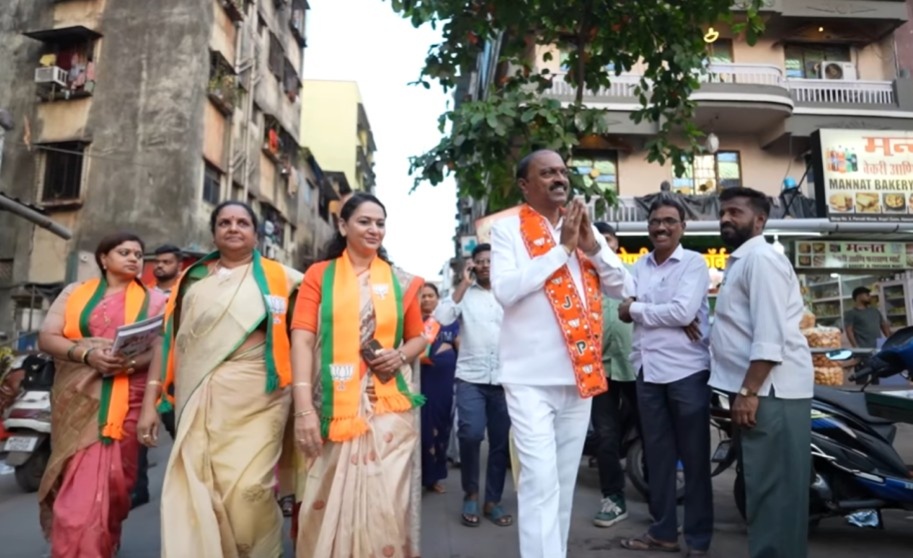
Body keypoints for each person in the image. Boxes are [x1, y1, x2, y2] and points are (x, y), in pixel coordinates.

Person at [136, 201, 303, 557]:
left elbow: (310, 338)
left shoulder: (285, 280)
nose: (233, 228)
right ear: (213, 234)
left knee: (249, 490)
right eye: (224, 222)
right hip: (201, 396)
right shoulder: (192, 282)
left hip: (261, 397)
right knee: (201, 485)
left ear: (256, 234)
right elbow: (168, 342)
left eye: (243, 222)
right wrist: (151, 403)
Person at [490, 149, 631, 558]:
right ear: (525, 185)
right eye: (547, 172)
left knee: (562, 486)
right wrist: (562, 250)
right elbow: (506, 290)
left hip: (580, 378)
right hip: (529, 379)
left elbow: (625, 287)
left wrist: (593, 247)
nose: (559, 178)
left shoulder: (585, 230)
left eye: (563, 172)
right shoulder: (507, 230)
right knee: (538, 482)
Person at [290, 192, 428, 558]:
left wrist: (400, 354)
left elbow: (418, 337)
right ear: (343, 226)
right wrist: (303, 410)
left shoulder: (400, 281)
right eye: (364, 221)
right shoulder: (319, 275)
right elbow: (302, 339)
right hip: (333, 404)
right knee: (328, 500)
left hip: (388, 407)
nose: (374, 229)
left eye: (380, 223)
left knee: (387, 502)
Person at [37, 231, 168, 557]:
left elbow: (161, 349)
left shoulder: (156, 301)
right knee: (78, 500)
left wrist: (130, 370)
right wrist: (88, 355)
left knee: (115, 485)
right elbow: (47, 337)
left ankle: (102, 543)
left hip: (129, 399)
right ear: (103, 259)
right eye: (124, 252)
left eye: (138, 254)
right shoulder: (74, 293)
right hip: (78, 397)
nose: (134, 258)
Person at [710, 187, 813, 558]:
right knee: (765, 489)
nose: (725, 219)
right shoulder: (742, 260)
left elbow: (769, 335)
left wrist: (748, 392)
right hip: (763, 392)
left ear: (759, 220)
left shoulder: (762, 260)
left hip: (771, 392)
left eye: (735, 212)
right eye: (723, 212)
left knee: (775, 493)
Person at [617, 199, 713, 555]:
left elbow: (682, 311)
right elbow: (622, 309)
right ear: (648, 227)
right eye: (655, 221)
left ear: (682, 227)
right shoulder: (639, 266)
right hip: (648, 371)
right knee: (657, 458)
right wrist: (664, 313)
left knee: (695, 459)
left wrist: (640, 309)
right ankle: (663, 532)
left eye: (670, 221)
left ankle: (699, 540)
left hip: (687, 372)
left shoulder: (694, 263)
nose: (661, 227)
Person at [434, 243, 512, 527]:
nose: (485, 265)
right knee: (470, 434)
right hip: (471, 377)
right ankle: (471, 492)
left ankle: (493, 500)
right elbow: (442, 317)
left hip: (505, 378)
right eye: (480, 261)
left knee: (500, 443)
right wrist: (463, 285)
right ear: (472, 266)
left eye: (490, 260)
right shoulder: (464, 294)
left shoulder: (510, 292)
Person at [589, 222, 637, 528]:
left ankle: (662, 502)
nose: (603, 245)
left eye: (607, 239)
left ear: (616, 243)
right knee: (605, 437)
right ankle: (613, 498)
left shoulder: (631, 274)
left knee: (652, 432)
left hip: (636, 366)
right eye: (596, 240)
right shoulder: (583, 280)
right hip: (598, 370)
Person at [132, 243, 182, 509]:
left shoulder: (186, 293)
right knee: (140, 430)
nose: (160, 266)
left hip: (176, 375)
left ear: (178, 265)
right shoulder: (144, 295)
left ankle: (184, 486)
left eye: (166, 262)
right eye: (157, 262)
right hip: (144, 371)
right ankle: (138, 489)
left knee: (179, 430)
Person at [419, 283, 460, 494]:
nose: (426, 299)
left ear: (437, 298)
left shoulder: (449, 322)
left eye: (430, 296)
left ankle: (435, 476)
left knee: (441, 426)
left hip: (443, 381)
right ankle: (420, 475)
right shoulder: (412, 321)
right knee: (422, 429)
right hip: (420, 379)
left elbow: (459, 346)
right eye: (423, 296)